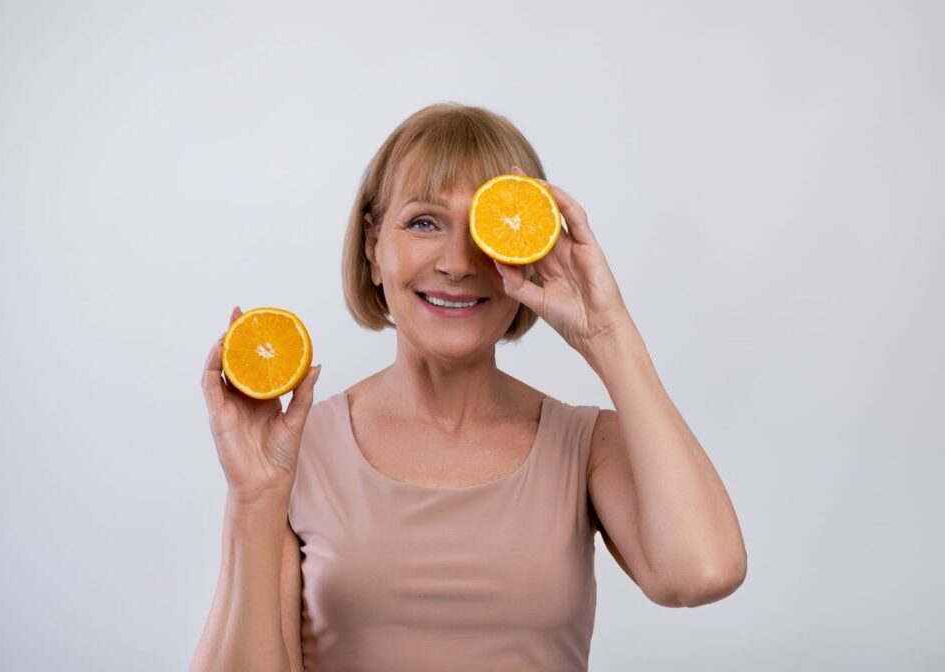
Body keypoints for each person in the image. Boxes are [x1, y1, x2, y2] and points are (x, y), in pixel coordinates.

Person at [190, 103, 747, 672]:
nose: (458, 264)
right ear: (372, 247)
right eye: (424, 222)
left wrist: (608, 333)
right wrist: (254, 497)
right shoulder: (297, 450)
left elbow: (702, 573)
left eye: (487, 224)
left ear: (529, 249)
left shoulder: (587, 446)